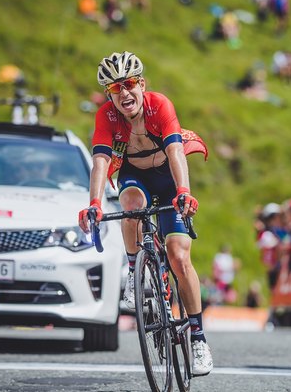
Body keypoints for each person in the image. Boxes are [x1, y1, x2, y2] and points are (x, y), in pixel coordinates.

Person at [77, 51, 213, 376]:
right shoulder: (106, 118)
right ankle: (136, 270)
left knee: (179, 257)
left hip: (167, 178)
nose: (124, 94)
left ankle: (198, 338)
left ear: (141, 83)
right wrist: (94, 203)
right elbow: (99, 161)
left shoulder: (159, 105)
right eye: (114, 89)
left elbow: (176, 150)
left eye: (128, 84)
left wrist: (183, 191)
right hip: (135, 176)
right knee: (131, 206)